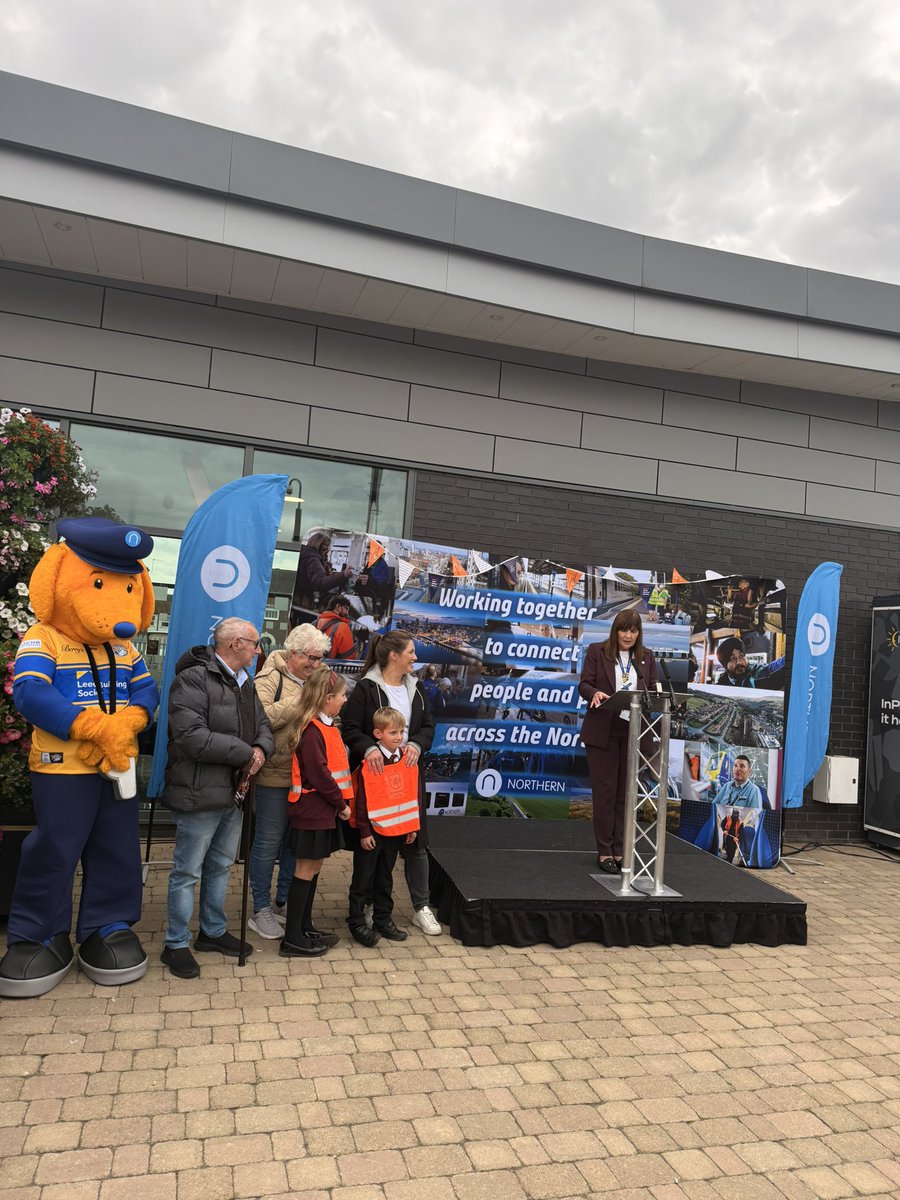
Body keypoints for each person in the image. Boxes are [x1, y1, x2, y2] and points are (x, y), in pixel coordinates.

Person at [160, 618, 274, 980]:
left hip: (234, 792)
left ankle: (211, 932)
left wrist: (259, 748)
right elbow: (190, 736)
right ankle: (175, 943)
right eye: (255, 644)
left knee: (220, 867)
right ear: (236, 643)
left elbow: (264, 727)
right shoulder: (194, 679)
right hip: (199, 791)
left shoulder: (246, 683)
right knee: (187, 871)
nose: (259, 651)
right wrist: (245, 753)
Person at [342, 630, 442, 936]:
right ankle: (370, 907)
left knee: (416, 841)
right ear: (393, 656)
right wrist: (369, 748)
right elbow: (350, 727)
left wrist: (417, 745)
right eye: (411, 652)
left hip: (409, 773)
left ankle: (420, 907)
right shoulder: (367, 688)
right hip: (376, 781)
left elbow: (428, 726)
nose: (415, 657)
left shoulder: (418, 687)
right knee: (378, 849)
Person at [247, 624, 332, 940]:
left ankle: (282, 901)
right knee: (268, 844)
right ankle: (259, 908)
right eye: (310, 657)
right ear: (293, 653)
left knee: (293, 846)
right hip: (275, 776)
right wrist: (304, 702)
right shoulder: (270, 679)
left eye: (319, 658)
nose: (315, 664)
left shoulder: (313, 680)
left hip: (303, 780)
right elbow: (260, 719)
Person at [578, 610, 659, 873]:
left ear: (639, 633)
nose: (628, 635)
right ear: (616, 631)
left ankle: (621, 850)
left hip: (634, 732)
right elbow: (584, 685)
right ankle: (604, 852)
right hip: (603, 730)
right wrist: (594, 692)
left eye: (633, 630)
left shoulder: (646, 657)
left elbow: (653, 689)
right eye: (624, 630)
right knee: (605, 795)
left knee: (626, 794)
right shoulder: (597, 651)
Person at [281, 666, 353, 957]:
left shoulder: (324, 725)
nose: (345, 700)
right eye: (342, 695)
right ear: (326, 698)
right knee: (305, 870)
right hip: (313, 809)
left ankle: (304, 927)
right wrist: (341, 804)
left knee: (313, 869)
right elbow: (319, 774)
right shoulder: (312, 730)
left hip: (320, 810)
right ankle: (293, 937)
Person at [347, 707, 420, 946]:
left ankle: (382, 919)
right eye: (393, 732)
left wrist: (411, 827)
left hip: (395, 832)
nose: (399, 737)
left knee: (385, 878)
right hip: (372, 833)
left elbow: (410, 797)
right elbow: (362, 801)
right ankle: (357, 922)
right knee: (362, 879)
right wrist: (364, 831)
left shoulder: (406, 760)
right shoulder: (371, 762)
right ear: (378, 734)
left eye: (402, 731)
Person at [291, 531, 352, 619]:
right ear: (320, 546)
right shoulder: (313, 560)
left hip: (297, 601)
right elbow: (319, 583)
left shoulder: (304, 554)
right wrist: (343, 575)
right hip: (306, 603)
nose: (327, 550)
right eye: (326, 547)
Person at [715, 637, 786, 689]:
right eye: (732, 659)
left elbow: (779, 664)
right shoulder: (722, 684)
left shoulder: (760, 673)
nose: (739, 662)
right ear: (725, 665)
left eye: (741, 656)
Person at [316, 594, 358, 661]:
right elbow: (349, 658)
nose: (347, 613)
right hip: (329, 669)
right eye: (346, 608)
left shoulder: (314, 623)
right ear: (338, 607)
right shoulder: (342, 627)